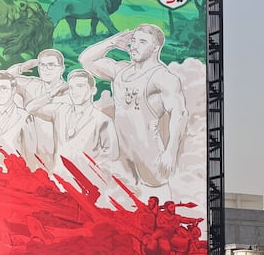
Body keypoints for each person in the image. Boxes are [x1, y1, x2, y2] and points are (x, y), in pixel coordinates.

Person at [78, 24, 188, 194]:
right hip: (121, 152)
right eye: (133, 40)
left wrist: (170, 151)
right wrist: (112, 43)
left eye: (142, 41)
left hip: (148, 152)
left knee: (157, 203)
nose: (134, 45)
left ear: (155, 47)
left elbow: (179, 113)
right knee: (123, 207)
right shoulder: (120, 70)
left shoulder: (163, 77)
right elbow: (86, 60)